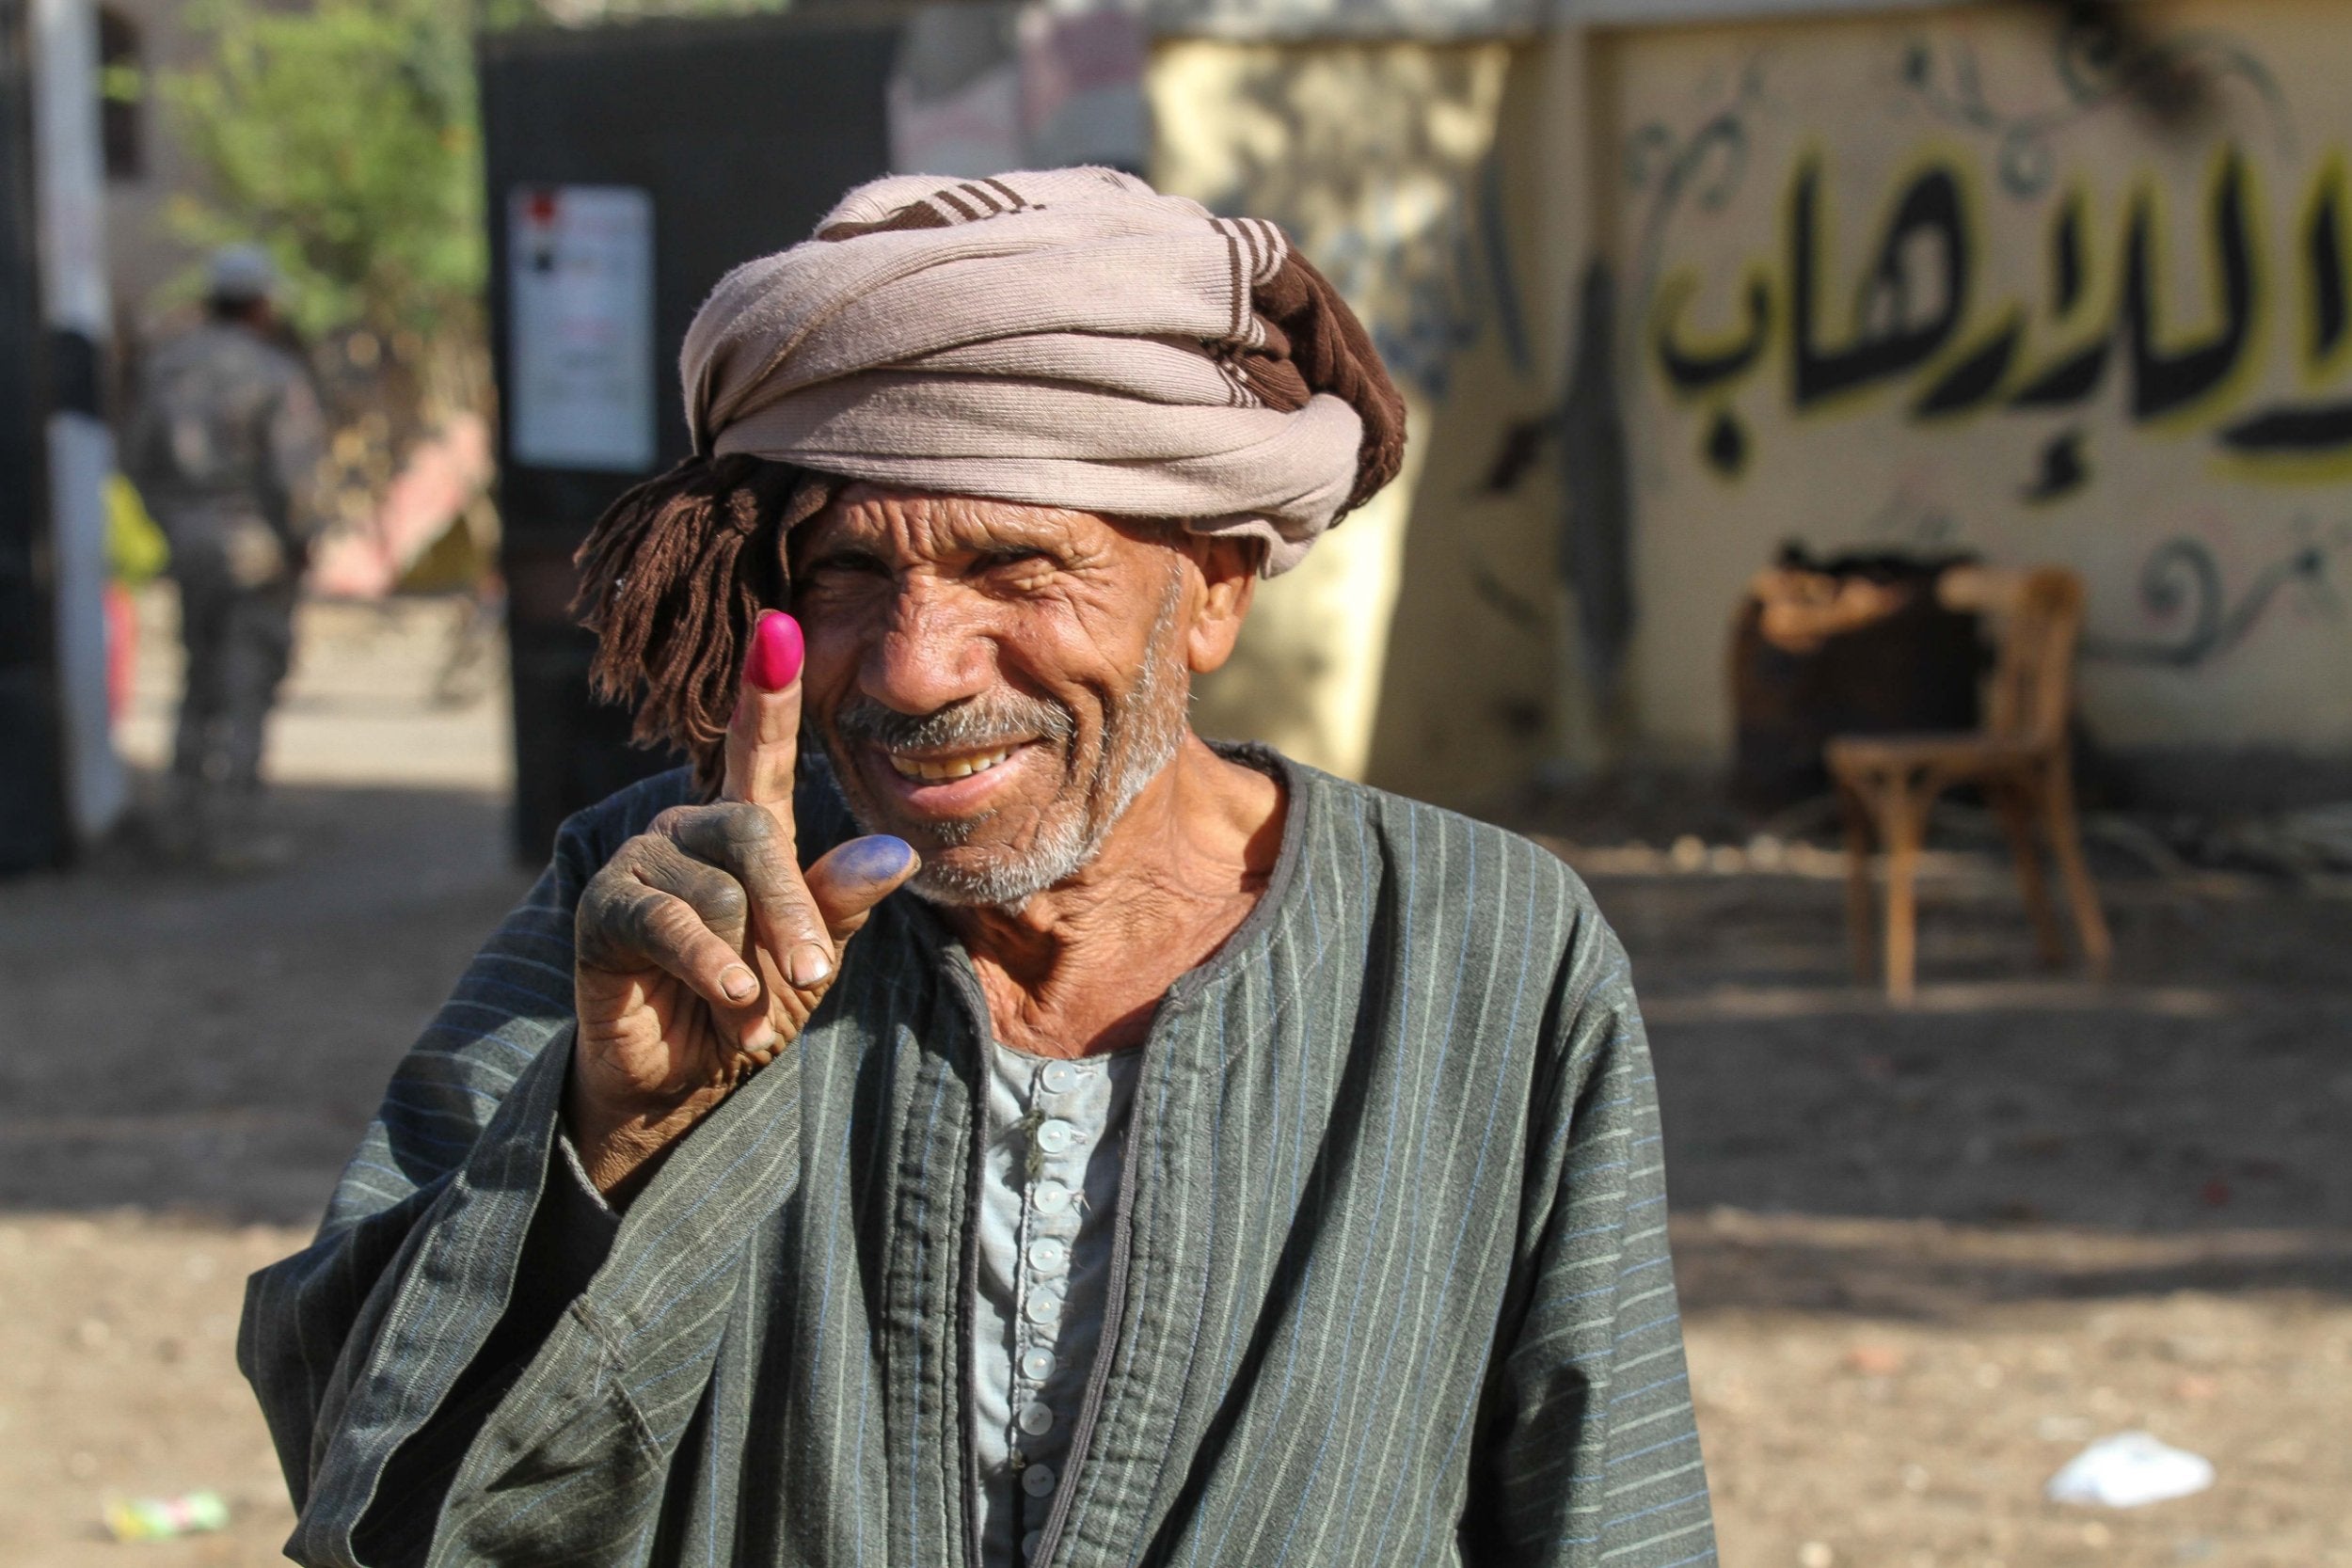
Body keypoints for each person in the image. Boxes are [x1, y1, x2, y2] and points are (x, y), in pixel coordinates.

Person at [241, 169, 1716, 1567]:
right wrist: (612, 1137)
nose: (915, 668)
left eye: (1018, 567)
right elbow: (375, 1488)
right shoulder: (649, 904)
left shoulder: (1483, 948)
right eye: (845, 575)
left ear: (1209, 590)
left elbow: (1607, 1503)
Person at [124, 244, 326, 867]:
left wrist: (176, 525)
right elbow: (294, 476)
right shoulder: (272, 371)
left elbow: (137, 460)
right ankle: (236, 830)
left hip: (188, 542)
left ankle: (180, 815)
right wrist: (298, 543)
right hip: (251, 545)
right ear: (262, 303)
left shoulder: (167, 367)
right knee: (247, 676)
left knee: (197, 669)